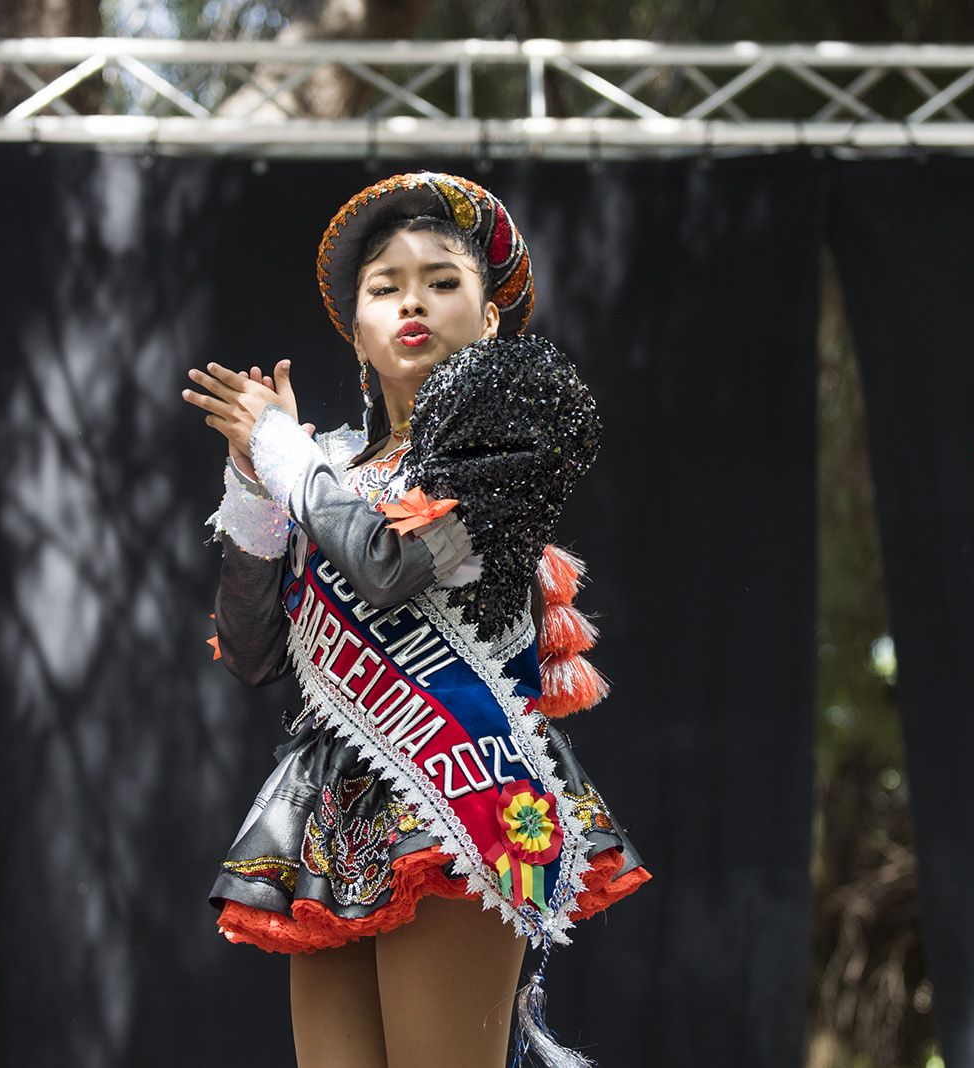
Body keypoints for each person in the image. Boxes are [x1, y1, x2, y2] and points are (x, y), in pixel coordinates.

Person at [183, 173, 647, 1068]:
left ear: (491, 315)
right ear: (354, 326)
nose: (413, 304)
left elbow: (386, 570)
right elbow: (250, 654)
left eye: (442, 282)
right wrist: (251, 485)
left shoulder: (506, 430)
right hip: (332, 811)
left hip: (458, 790)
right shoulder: (321, 467)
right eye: (385, 287)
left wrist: (279, 454)